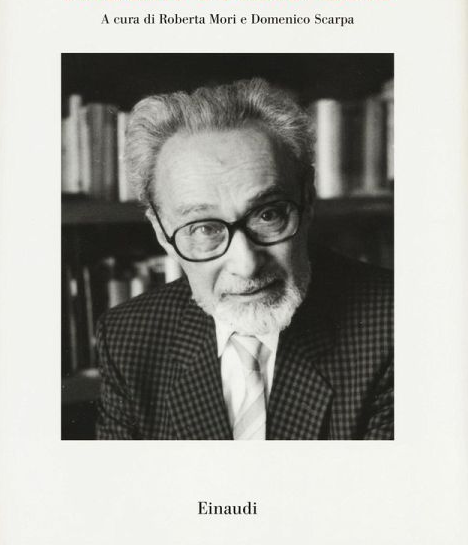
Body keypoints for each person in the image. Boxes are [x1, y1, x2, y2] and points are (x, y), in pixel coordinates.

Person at [96, 78, 393, 440]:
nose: (247, 265)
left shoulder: (396, 325)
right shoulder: (127, 338)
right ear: (162, 233)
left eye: (267, 215)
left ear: (308, 200)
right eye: (204, 228)